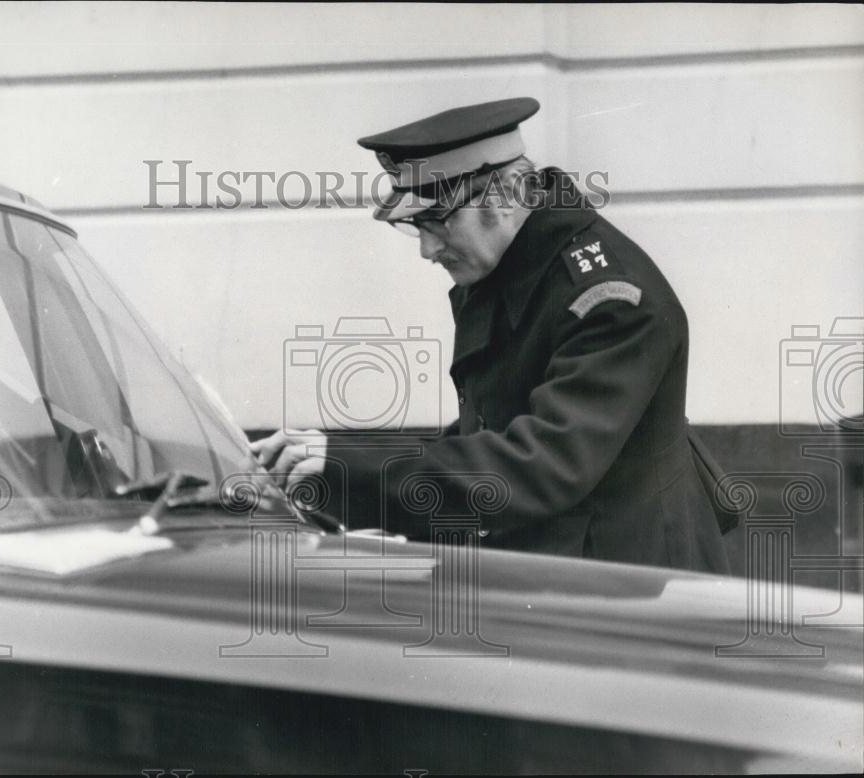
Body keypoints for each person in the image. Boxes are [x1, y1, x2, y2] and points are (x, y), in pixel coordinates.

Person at [252, 97, 730, 573]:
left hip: (634, 586)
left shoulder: (610, 302)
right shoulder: (504, 271)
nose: (427, 248)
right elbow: (484, 431)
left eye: (440, 219)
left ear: (511, 192)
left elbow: (540, 466)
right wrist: (334, 466)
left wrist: (349, 468)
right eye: (416, 223)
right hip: (561, 568)